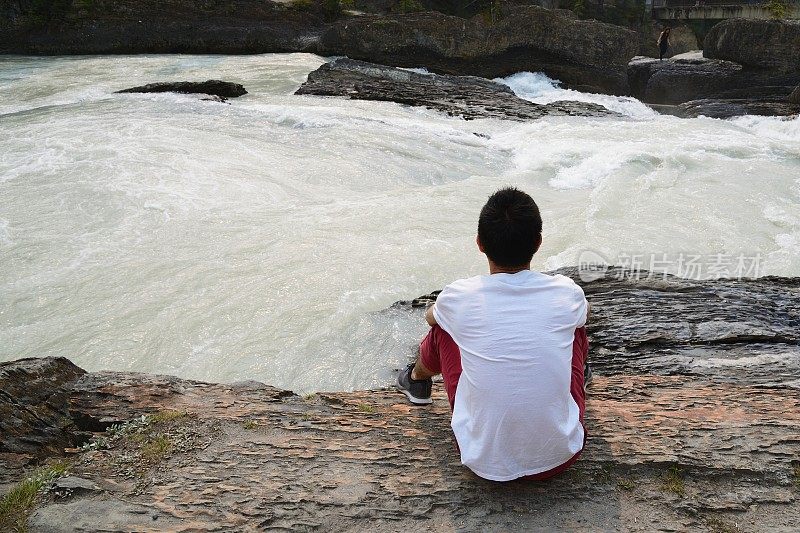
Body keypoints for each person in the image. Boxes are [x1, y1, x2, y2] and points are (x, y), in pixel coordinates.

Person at [396, 187, 591, 482]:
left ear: (479, 243)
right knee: (575, 329)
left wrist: (445, 311)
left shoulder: (460, 295)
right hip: (561, 455)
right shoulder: (567, 292)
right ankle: (576, 379)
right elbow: (579, 320)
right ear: (538, 243)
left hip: (483, 460)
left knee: (443, 331)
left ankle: (417, 381)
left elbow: (429, 318)